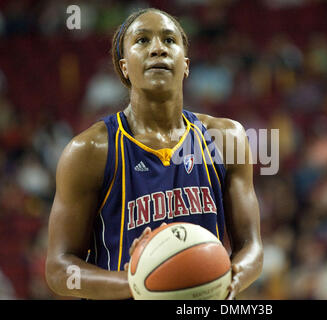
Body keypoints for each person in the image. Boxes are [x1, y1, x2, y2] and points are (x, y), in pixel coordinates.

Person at [45, 8, 263, 300]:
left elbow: (252, 246)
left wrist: (230, 278)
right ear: (124, 66)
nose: (158, 48)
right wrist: (140, 283)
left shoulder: (225, 139)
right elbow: (60, 270)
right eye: (143, 40)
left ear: (185, 64)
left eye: (169, 40)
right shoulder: (89, 151)